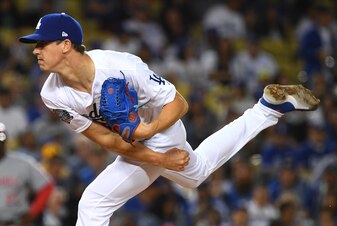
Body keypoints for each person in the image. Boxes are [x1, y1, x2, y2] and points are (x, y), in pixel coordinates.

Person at [18, 12, 320, 226]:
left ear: (66, 44)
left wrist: (148, 130)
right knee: (196, 173)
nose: (36, 50)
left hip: (161, 127)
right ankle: (267, 108)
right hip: (133, 139)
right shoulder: (52, 94)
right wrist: (159, 159)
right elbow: (107, 139)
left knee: (93, 203)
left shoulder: (121, 66)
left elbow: (179, 103)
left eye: (42, 43)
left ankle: (266, 111)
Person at [0, 122, 54, 226]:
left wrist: (32, 213)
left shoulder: (23, 162)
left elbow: (47, 186)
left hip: (15, 221)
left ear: (6, 140)